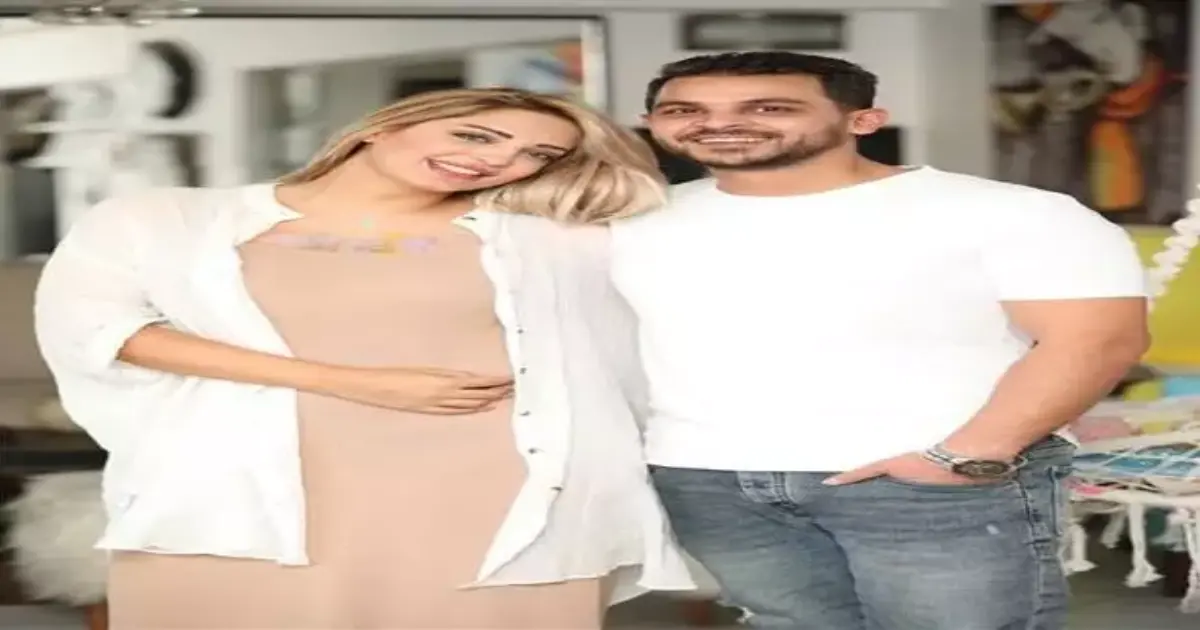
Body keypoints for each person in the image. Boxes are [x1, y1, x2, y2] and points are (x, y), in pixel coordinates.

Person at [34, 87, 694, 630]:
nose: (499, 160)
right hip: (231, 489)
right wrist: (352, 382)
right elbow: (102, 331)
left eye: (537, 155)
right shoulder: (163, 219)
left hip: (491, 488)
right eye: (475, 135)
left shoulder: (550, 237)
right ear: (382, 127)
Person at [611, 51, 1149, 630]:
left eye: (769, 108)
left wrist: (964, 458)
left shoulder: (1010, 212)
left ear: (863, 120)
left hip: (925, 479)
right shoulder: (634, 218)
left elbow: (1098, 342)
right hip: (711, 480)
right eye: (684, 110)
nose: (718, 123)